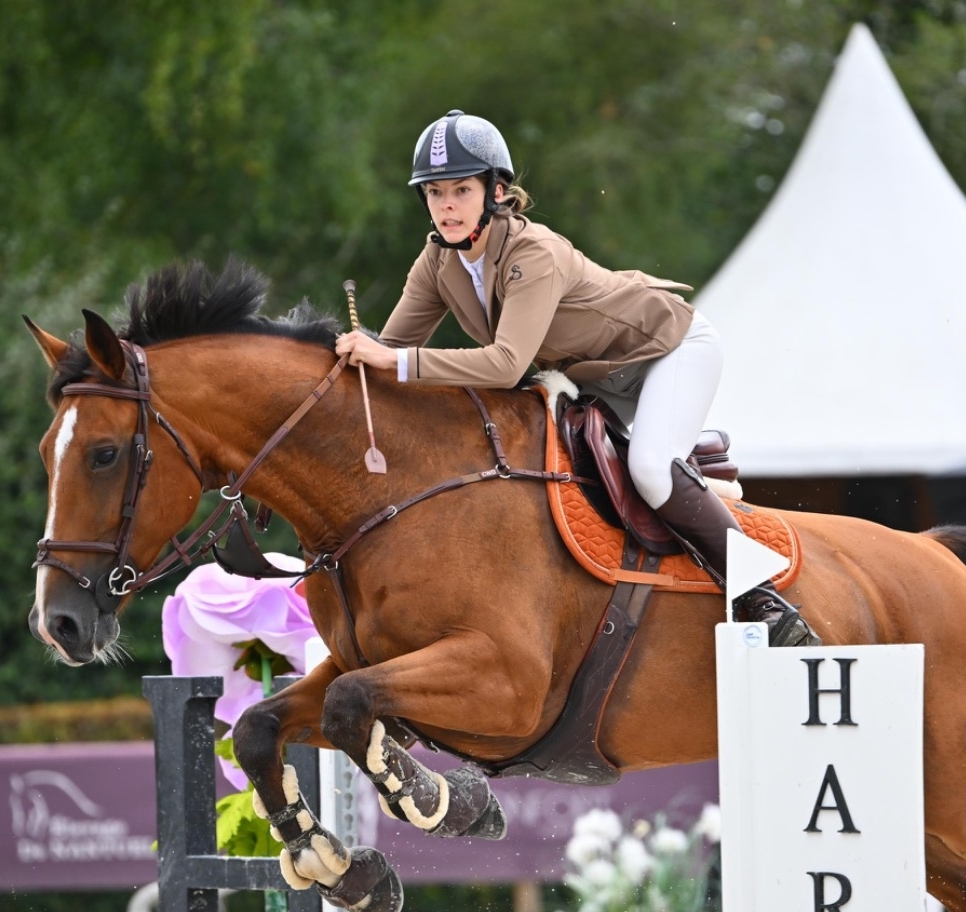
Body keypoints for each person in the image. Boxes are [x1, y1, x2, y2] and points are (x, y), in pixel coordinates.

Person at [334, 110, 819, 647]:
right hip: (597, 378)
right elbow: (388, 353)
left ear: (496, 191)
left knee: (651, 469)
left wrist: (392, 361)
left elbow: (504, 365)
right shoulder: (436, 263)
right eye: (434, 192)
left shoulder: (532, 252)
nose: (446, 205)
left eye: (461, 190)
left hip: (669, 351)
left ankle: (762, 595)